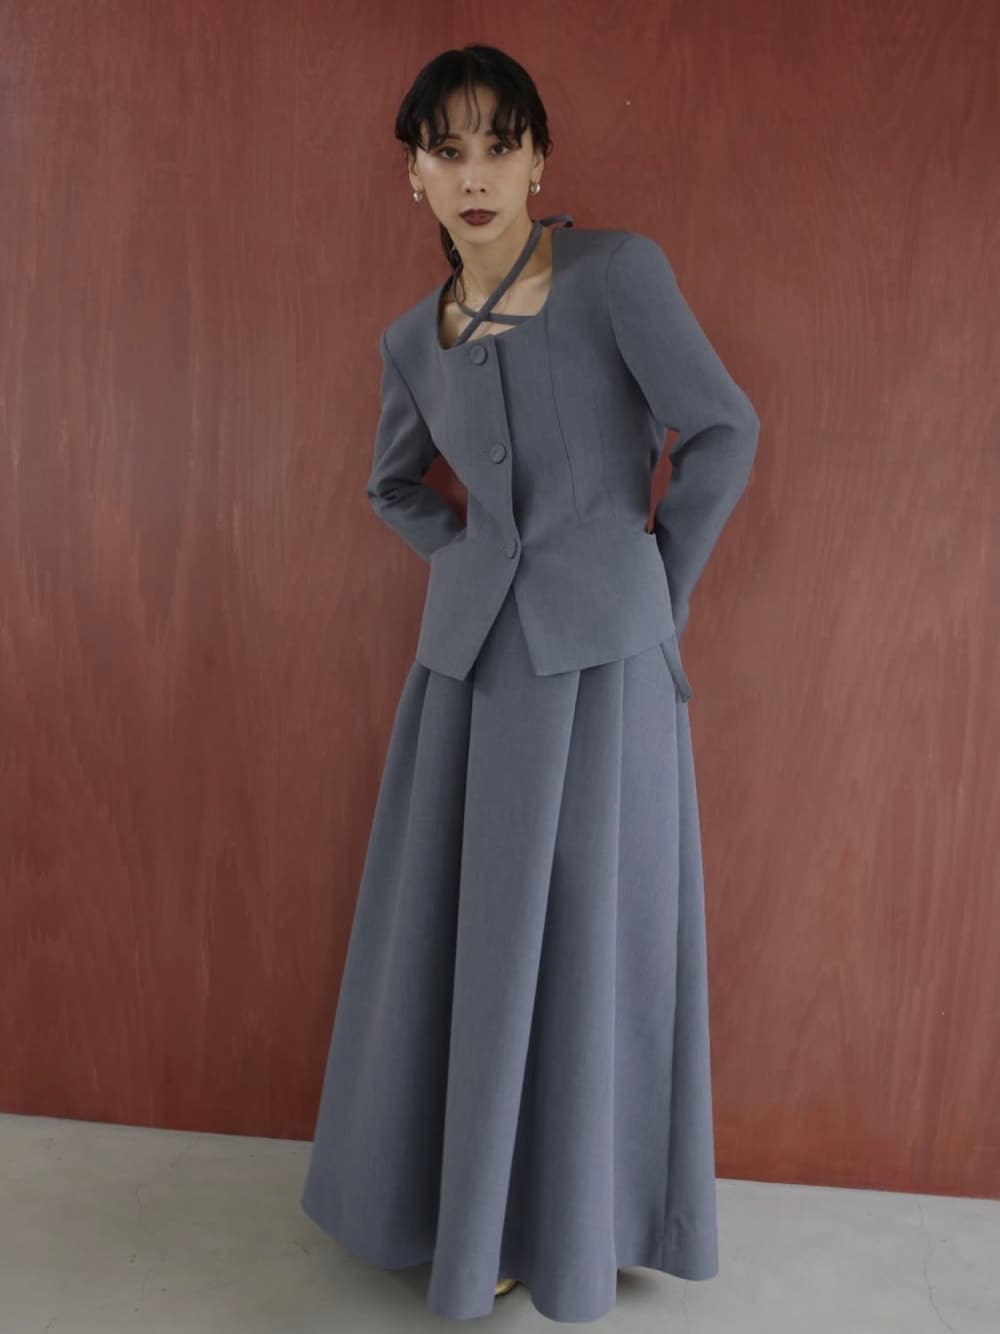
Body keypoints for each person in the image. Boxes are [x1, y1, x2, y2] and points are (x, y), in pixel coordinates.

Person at [301, 43, 760, 1324]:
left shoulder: (618, 275)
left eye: (497, 146)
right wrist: (467, 558)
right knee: (472, 941)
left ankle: (572, 1220)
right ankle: (470, 1217)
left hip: (606, 666)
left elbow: (724, 428)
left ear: (538, 160)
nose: (474, 174)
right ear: (413, 174)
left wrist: (653, 584)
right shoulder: (414, 339)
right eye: (445, 151)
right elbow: (393, 484)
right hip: (469, 678)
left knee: (593, 937)